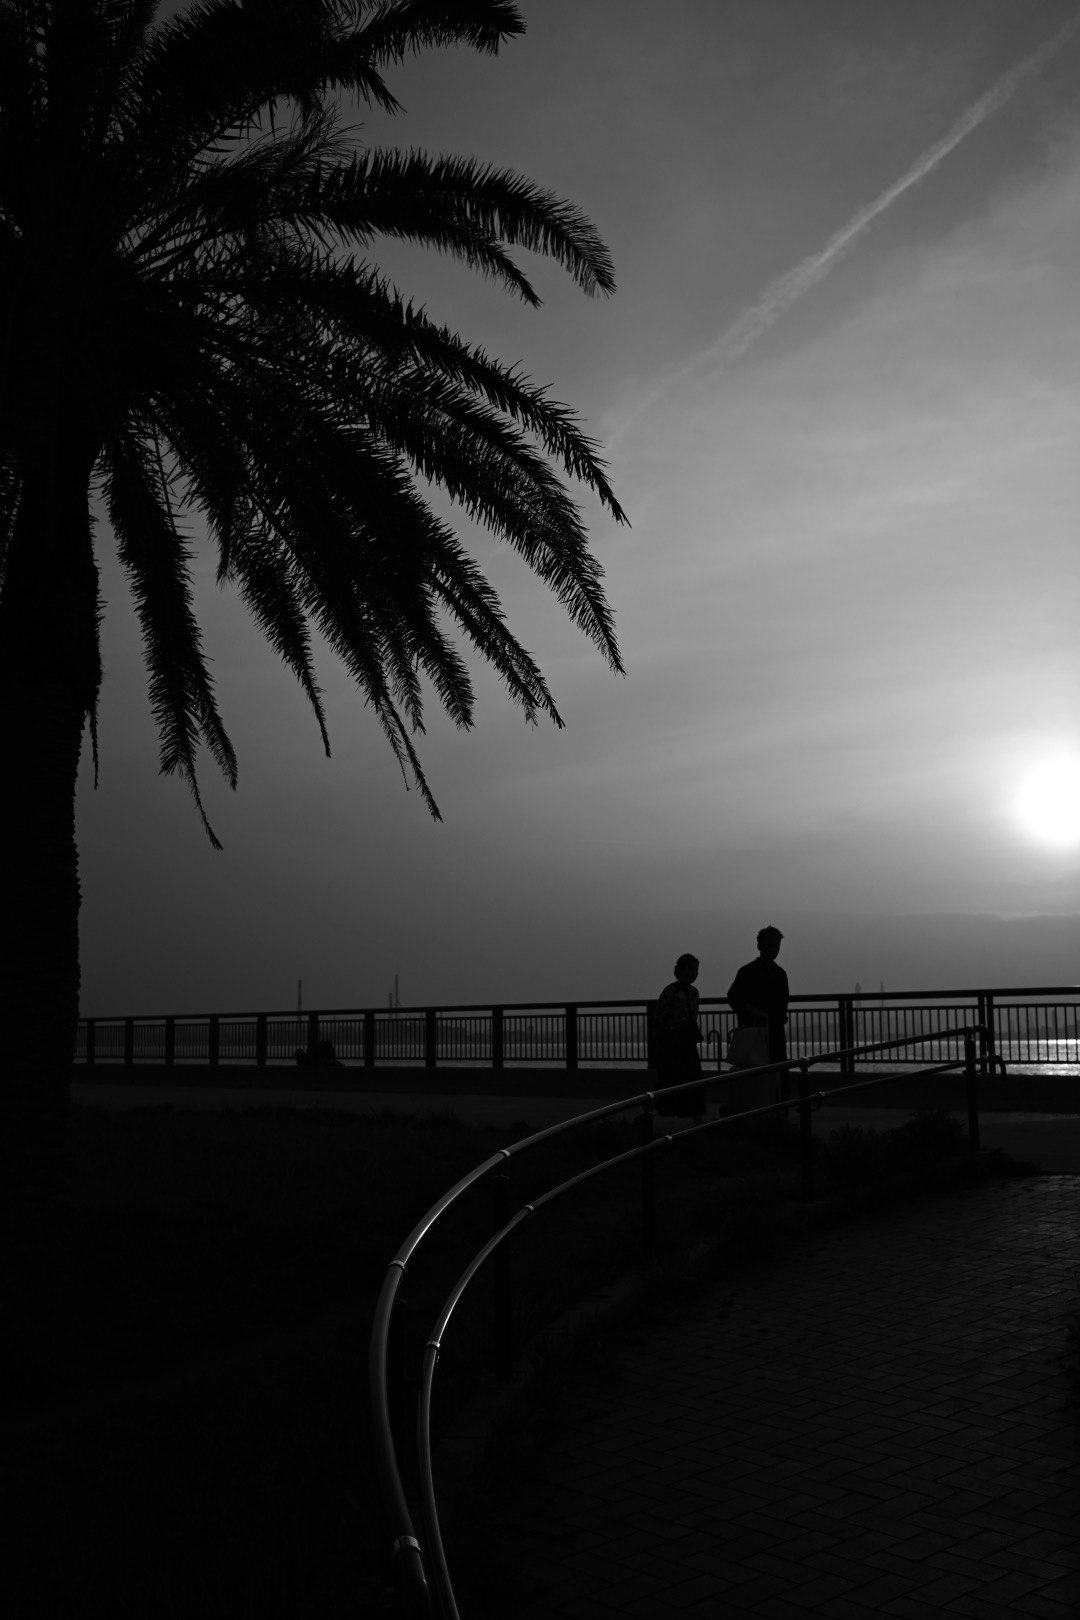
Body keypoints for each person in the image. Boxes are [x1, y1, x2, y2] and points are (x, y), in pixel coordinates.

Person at [727, 927, 791, 1106]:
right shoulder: (748, 972)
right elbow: (734, 998)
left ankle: (778, 1109)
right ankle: (771, 1110)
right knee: (760, 1077)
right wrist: (752, 1011)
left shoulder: (779, 973)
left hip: (773, 1032)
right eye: (769, 945)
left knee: (776, 1074)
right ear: (759, 946)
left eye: (776, 946)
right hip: (755, 1033)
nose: (773, 949)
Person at [653, 953, 706, 1124]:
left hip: (687, 1040)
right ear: (681, 970)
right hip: (673, 1041)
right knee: (673, 1079)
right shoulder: (671, 991)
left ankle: (695, 1118)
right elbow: (660, 1017)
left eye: (696, 970)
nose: (694, 973)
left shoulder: (693, 992)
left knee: (693, 1080)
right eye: (691, 969)